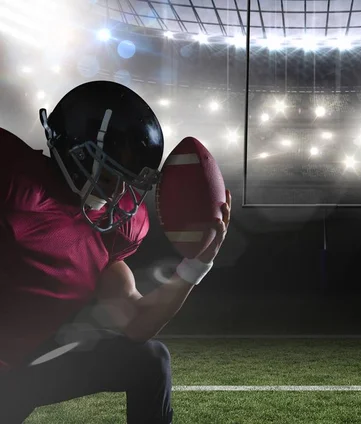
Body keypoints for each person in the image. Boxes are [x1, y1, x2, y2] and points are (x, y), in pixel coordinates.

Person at [0, 80, 231, 424]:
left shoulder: (113, 227)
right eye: (111, 174)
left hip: (26, 369)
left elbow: (136, 322)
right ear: (75, 151)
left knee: (149, 360)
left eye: (128, 180)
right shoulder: (14, 182)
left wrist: (196, 266)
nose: (119, 192)